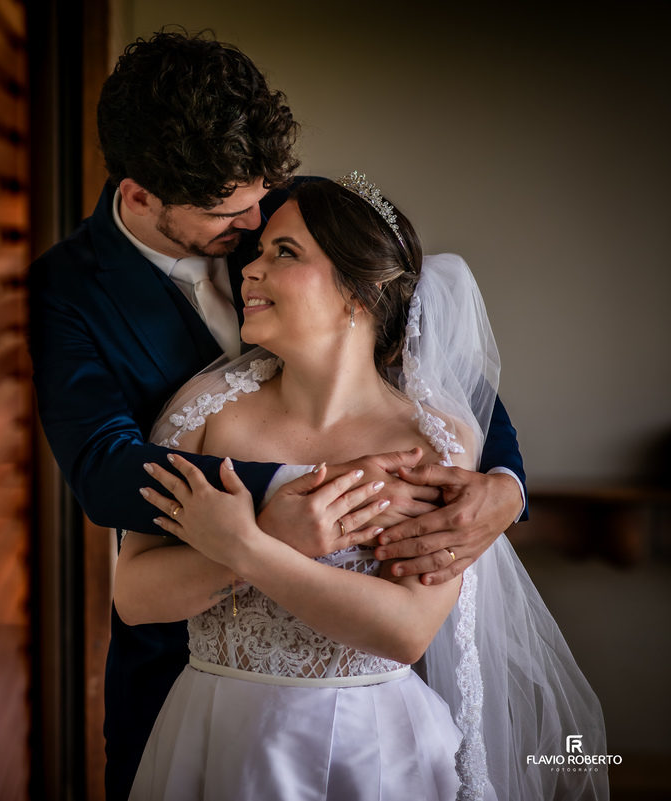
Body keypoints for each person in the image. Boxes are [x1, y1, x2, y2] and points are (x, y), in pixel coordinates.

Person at [27, 29, 528, 800]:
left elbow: (442, 358)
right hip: (186, 670)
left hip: (369, 696)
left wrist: (505, 484)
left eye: (265, 198)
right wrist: (295, 498)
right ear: (140, 196)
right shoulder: (69, 289)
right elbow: (103, 468)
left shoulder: (293, 216)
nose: (257, 229)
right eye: (232, 213)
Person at [118, 175, 606, 799]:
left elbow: (404, 632)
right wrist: (260, 543)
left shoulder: (433, 442)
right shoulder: (203, 414)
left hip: (372, 746)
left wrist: (248, 547)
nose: (250, 270)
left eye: (284, 253)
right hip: (215, 732)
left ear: (359, 292)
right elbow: (133, 595)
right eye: (259, 251)